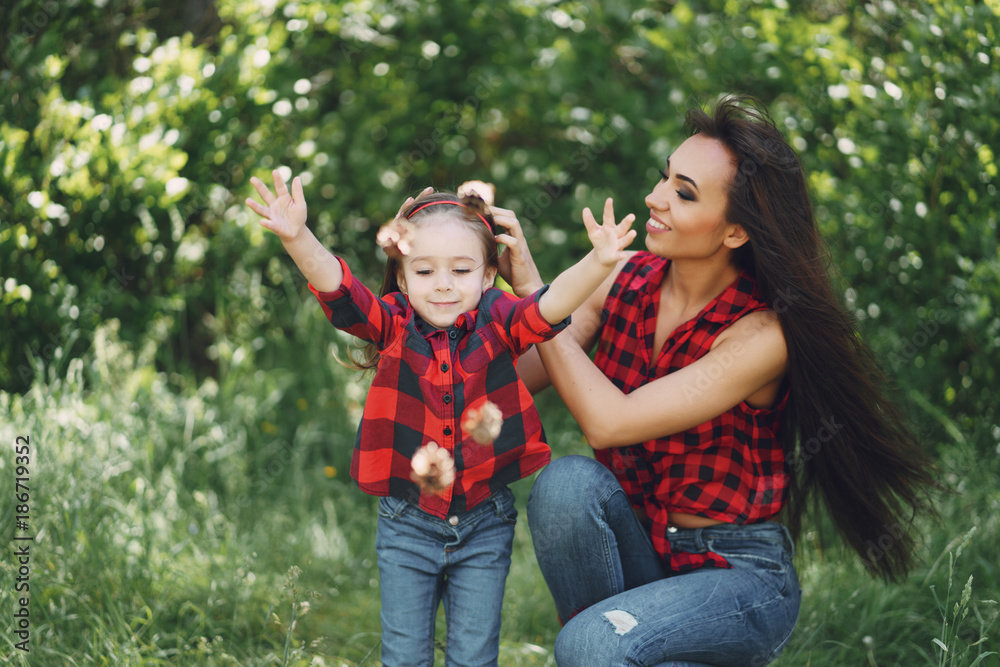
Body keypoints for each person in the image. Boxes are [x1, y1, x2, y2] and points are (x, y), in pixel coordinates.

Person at [499, 94, 937, 666]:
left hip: (736, 576)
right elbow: (512, 381)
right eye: (664, 179)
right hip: (646, 548)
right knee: (566, 487)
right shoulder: (622, 280)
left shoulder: (760, 335)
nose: (655, 199)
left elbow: (609, 423)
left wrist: (539, 294)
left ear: (734, 232)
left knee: (590, 643)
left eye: (684, 193)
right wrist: (453, 276)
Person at [244, 173, 636, 666]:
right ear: (404, 279)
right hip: (407, 523)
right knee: (405, 658)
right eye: (425, 272)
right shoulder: (394, 323)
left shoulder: (499, 320)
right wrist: (298, 237)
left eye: (461, 269)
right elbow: (340, 290)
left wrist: (598, 262)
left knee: (473, 658)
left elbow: (549, 307)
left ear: (488, 275)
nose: (444, 285)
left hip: (484, 521)